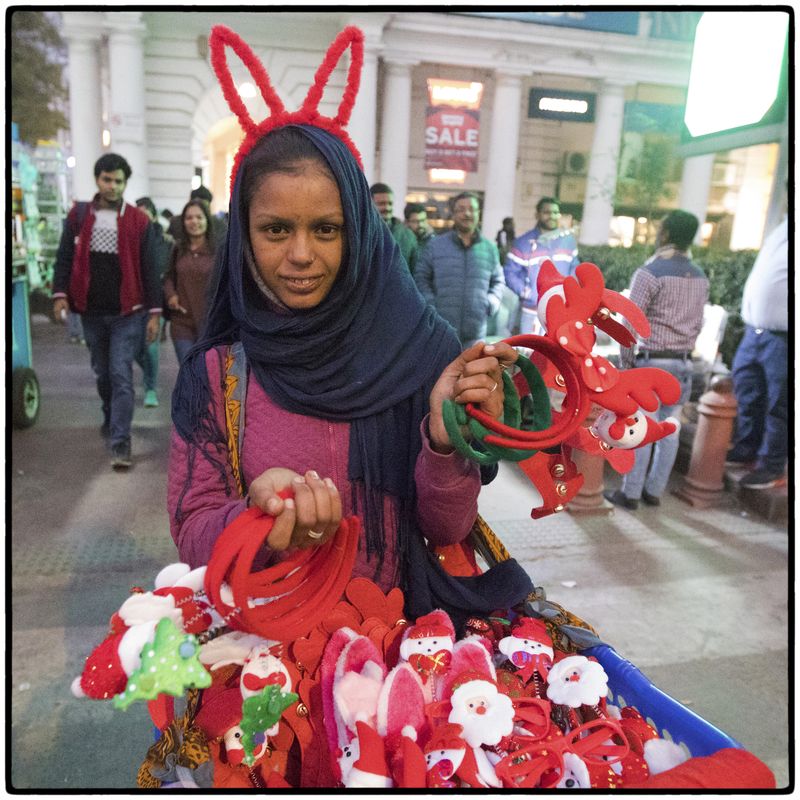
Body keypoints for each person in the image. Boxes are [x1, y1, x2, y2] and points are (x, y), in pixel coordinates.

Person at [168, 119, 523, 613]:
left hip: (400, 651)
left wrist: (444, 445)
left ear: (357, 230)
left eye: (326, 230)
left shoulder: (423, 353)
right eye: (275, 230)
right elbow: (193, 533)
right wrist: (257, 518)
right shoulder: (216, 375)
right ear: (244, 237)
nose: (301, 255)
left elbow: (448, 530)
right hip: (267, 663)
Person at [52, 153, 160, 469]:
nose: (112, 186)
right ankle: (110, 413)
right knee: (103, 373)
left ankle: (120, 443)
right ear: (98, 180)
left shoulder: (140, 221)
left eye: (118, 181)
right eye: (107, 179)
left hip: (129, 313)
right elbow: (64, 258)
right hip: (90, 312)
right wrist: (60, 295)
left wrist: (154, 313)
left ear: (125, 183)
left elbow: (150, 269)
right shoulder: (79, 215)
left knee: (120, 374)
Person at [605, 210, 708, 510]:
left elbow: (629, 322)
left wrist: (625, 365)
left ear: (664, 234)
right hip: (682, 364)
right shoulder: (700, 275)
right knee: (670, 428)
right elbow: (699, 323)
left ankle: (631, 494)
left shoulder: (650, 273)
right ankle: (654, 492)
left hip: (651, 364)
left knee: (643, 426)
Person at [725, 216, 788, 489]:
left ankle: (771, 466)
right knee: (747, 392)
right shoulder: (781, 228)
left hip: (783, 336)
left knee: (778, 405)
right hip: (755, 331)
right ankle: (746, 449)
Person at [414, 191, 505, 347]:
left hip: (476, 334)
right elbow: (421, 278)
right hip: (441, 331)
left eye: (472, 209)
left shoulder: (489, 248)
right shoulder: (435, 246)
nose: (467, 213)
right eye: (461, 209)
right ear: (453, 214)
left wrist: (491, 302)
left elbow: (498, 280)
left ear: (478, 213)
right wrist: (431, 305)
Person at [504, 197, 579, 334]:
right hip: (532, 311)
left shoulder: (569, 241)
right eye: (547, 212)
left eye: (555, 212)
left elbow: (574, 269)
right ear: (537, 215)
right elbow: (509, 273)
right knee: (529, 352)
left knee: (557, 352)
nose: (552, 216)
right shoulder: (523, 243)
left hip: (561, 310)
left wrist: (571, 291)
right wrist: (526, 292)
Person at [162, 198, 217, 364]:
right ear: (183, 222)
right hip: (182, 322)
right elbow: (169, 276)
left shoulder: (218, 251)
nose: (194, 222)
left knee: (207, 372)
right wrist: (171, 295)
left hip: (210, 323)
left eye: (199, 217)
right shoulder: (178, 249)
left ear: (207, 220)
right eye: (189, 218)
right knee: (188, 370)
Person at [135, 196, 174, 407]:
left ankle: (150, 387)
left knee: (150, 347)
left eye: (145, 215)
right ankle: (149, 373)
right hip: (132, 303)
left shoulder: (165, 241)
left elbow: (170, 271)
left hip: (155, 302)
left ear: (153, 215)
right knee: (132, 348)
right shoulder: (129, 239)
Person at [369, 182, 418, 273]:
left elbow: (415, 270)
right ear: (369, 204)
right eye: (381, 204)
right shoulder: (363, 233)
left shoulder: (407, 235)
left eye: (390, 203)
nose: (387, 207)